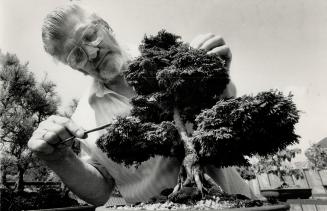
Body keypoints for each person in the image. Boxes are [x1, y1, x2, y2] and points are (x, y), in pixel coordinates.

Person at [28, 4, 249, 206]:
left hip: (235, 204)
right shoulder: (83, 120)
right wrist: (60, 158)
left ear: (105, 26)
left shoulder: (174, 56)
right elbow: (100, 192)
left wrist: (216, 75)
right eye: (77, 56)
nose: (92, 54)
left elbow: (232, 119)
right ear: (74, 68)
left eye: (90, 35)